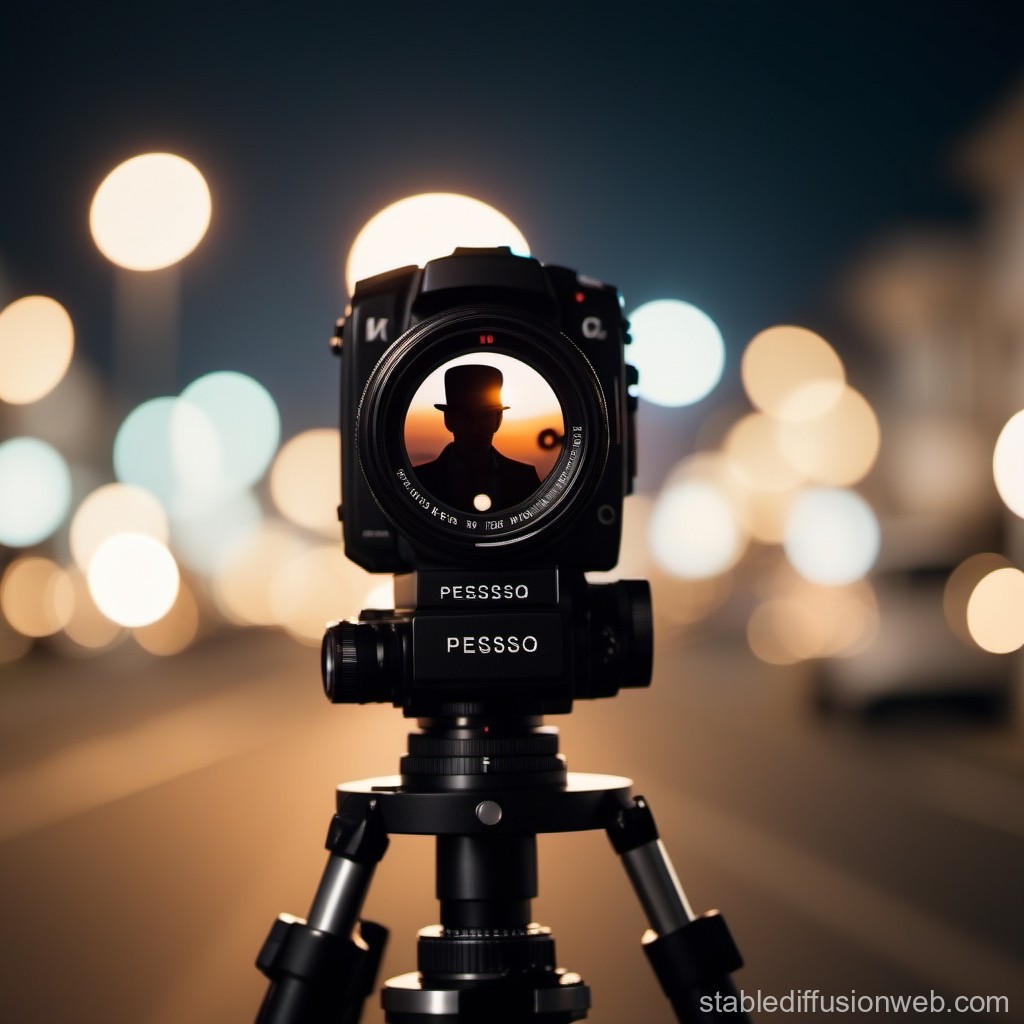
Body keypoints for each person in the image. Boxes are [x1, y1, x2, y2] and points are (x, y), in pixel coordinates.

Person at [413, 364, 541, 513]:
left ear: (498, 420)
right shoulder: (419, 481)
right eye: (466, 416)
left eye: (485, 416)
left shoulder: (525, 479)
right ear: (449, 420)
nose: (476, 426)